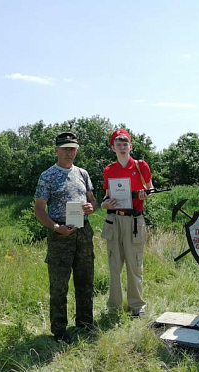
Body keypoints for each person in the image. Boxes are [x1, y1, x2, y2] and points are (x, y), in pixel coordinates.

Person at [34, 132, 98, 343]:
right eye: (65, 149)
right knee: (59, 286)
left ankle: (85, 323)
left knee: (85, 281)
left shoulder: (83, 173)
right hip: (60, 236)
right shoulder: (47, 176)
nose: (70, 153)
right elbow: (39, 210)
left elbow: (93, 202)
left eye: (73, 149)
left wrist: (91, 208)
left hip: (83, 233)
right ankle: (60, 331)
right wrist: (56, 227)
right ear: (57, 150)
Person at [100, 129, 153, 318]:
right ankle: (114, 307)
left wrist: (144, 194)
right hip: (114, 220)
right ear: (113, 147)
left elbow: (150, 188)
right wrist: (104, 203)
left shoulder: (140, 166)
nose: (122, 148)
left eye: (125, 144)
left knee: (134, 265)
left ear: (130, 146)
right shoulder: (109, 169)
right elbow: (107, 195)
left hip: (134, 221)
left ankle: (137, 307)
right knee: (114, 266)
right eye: (118, 144)